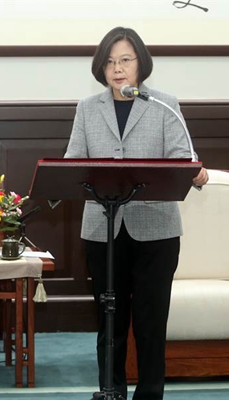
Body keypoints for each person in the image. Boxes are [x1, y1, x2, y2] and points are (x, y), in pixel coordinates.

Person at [64, 27, 209, 400]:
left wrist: (194, 171)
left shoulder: (164, 104)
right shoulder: (87, 108)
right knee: (108, 320)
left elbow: (182, 157)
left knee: (151, 322)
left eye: (125, 60)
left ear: (140, 63)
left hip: (156, 229)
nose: (117, 69)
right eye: (110, 62)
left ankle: (150, 395)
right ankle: (110, 391)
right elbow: (73, 162)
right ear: (101, 68)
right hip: (103, 229)